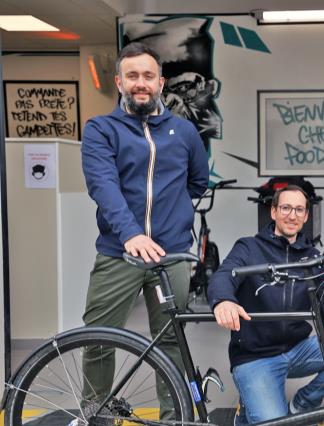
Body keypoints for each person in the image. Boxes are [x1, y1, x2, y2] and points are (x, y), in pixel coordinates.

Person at [80, 42, 209, 419]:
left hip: (171, 256)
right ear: (119, 82)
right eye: (132, 76)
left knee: (170, 340)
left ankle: (175, 416)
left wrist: (173, 218)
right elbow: (103, 186)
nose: (141, 83)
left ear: (160, 82)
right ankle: (98, 414)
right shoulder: (101, 129)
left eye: (148, 76)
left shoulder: (184, 132)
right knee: (98, 338)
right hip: (118, 251)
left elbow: (198, 182)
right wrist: (131, 233)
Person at [208, 186, 324, 425]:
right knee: (274, 422)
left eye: (299, 209)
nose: (292, 215)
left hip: (298, 349)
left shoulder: (312, 258)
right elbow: (224, 275)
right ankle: (246, 411)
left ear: (306, 216)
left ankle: (301, 405)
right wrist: (223, 300)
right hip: (255, 357)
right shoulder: (248, 247)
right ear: (274, 211)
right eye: (286, 208)